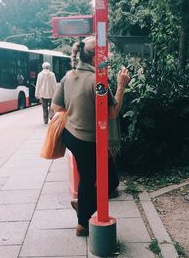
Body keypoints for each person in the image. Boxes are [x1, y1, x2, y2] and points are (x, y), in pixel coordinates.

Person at [51, 37, 130, 236]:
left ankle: (82, 204)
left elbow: (56, 107)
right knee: (106, 181)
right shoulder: (97, 80)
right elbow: (112, 113)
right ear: (96, 56)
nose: (108, 57)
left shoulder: (69, 76)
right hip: (87, 140)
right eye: (105, 53)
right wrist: (121, 86)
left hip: (71, 135)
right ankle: (83, 223)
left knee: (89, 176)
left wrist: (78, 110)